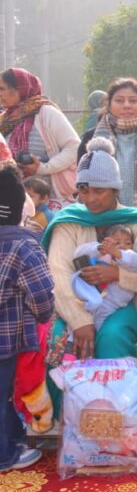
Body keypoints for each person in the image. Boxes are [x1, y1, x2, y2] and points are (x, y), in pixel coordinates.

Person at [42, 138, 137, 364]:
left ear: (115, 189)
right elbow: (58, 273)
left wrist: (118, 275)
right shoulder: (69, 222)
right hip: (75, 301)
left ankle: (118, 387)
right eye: (83, 191)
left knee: (113, 335)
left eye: (99, 191)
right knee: (57, 337)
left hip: (124, 303)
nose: (90, 199)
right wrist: (80, 321)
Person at [0, 167, 54, 471]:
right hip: (9, 339)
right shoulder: (23, 245)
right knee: (5, 395)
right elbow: (42, 293)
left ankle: (10, 443)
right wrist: (42, 316)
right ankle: (6, 454)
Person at [79, 77, 137, 210]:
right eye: (119, 100)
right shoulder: (91, 139)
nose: (126, 105)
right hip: (103, 217)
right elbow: (82, 184)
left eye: (133, 100)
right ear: (109, 104)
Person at [0, 68, 81, 206]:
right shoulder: (4, 119)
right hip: (14, 199)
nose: (0, 94)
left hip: (48, 199)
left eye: (2, 89)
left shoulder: (46, 113)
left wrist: (43, 168)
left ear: (20, 89)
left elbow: (74, 148)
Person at [70, 225, 137, 331]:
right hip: (91, 297)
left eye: (128, 243)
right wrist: (100, 249)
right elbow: (78, 253)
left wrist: (118, 254)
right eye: (116, 243)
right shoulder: (102, 254)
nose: (122, 246)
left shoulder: (130, 257)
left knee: (99, 326)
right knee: (78, 323)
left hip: (112, 304)